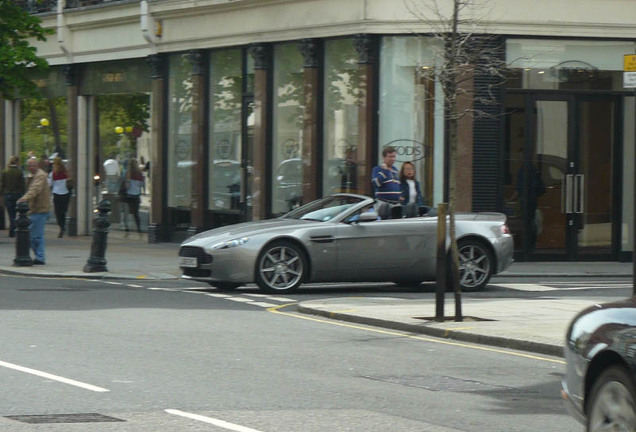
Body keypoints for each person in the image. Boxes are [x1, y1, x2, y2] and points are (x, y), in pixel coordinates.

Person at [18, 158, 52, 265]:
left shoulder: (40, 176)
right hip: (35, 209)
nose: (31, 167)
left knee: (35, 235)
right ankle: (39, 256)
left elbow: (35, 189)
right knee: (35, 234)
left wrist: (24, 198)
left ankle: (40, 257)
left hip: (40, 209)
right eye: (29, 165)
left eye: (33, 165)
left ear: (38, 165)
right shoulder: (32, 176)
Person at [0, 155, 26, 237]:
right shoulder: (19, 172)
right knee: (16, 213)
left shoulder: (4, 172)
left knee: (11, 213)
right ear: (17, 162)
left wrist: (1, 194)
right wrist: (24, 195)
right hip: (17, 195)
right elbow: (22, 185)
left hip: (7, 195)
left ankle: (12, 231)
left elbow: (2, 185)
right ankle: (14, 229)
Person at [48, 157, 72, 238]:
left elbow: (50, 184)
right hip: (65, 193)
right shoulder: (66, 172)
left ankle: (61, 226)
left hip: (56, 193)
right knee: (63, 211)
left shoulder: (53, 173)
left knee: (58, 212)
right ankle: (63, 226)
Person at [122, 158, 145, 235]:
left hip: (129, 195)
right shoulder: (139, 173)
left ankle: (127, 227)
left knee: (126, 212)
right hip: (136, 195)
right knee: (136, 213)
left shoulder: (128, 173)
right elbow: (141, 184)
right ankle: (139, 228)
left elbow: (127, 185)